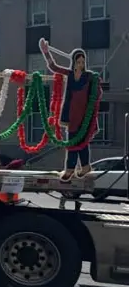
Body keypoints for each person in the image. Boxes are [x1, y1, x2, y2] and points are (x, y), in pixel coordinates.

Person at [41, 38, 98, 181]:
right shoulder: (70, 75)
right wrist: (46, 52)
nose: (81, 64)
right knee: (72, 141)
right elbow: (54, 67)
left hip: (84, 114)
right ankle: (71, 168)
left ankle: (85, 166)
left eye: (83, 62)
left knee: (83, 142)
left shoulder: (89, 76)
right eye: (78, 62)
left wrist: (97, 81)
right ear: (74, 62)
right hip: (72, 114)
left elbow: (96, 92)